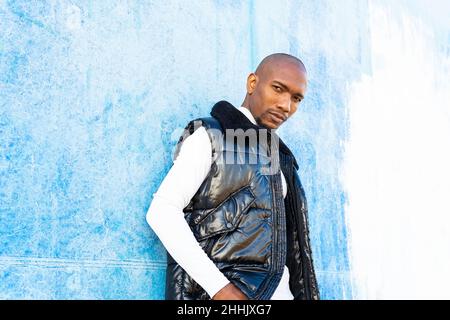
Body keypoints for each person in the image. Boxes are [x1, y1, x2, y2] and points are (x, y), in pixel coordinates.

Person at [146, 53, 320, 300]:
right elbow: (161, 211)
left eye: (296, 98)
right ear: (252, 83)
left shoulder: (281, 158)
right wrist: (221, 289)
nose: (286, 106)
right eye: (278, 89)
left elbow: (293, 251)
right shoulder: (211, 137)